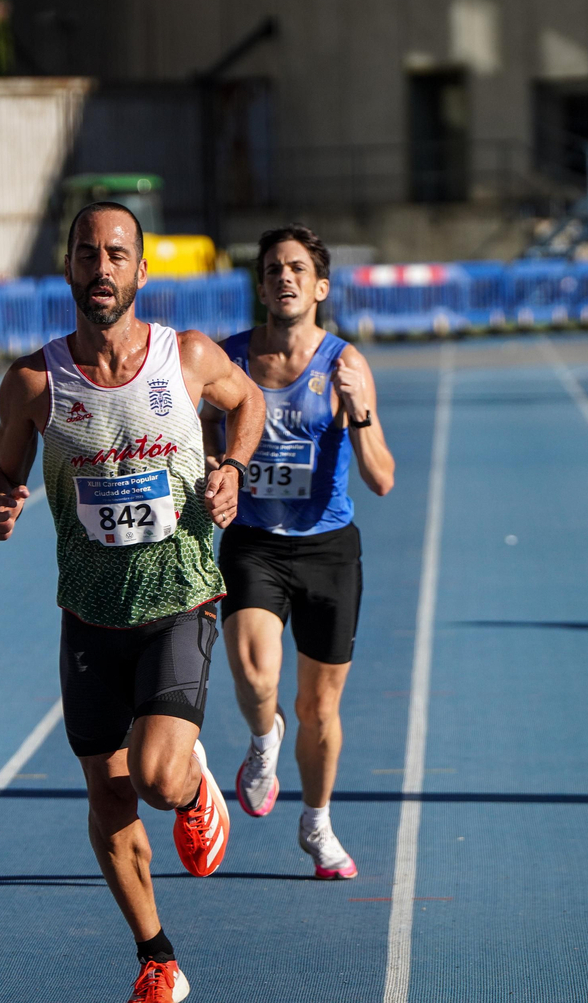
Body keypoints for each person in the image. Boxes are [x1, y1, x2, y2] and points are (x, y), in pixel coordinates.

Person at [0, 201, 264, 1003]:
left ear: (141, 271)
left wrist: (233, 468)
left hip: (178, 599)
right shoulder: (35, 382)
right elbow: (1, 475)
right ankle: (157, 958)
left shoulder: (190, 358)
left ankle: (195, 783)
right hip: (88, 616)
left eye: (115, 254)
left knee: (155, 779)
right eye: (85, 253)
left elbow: (248, 404)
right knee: (106, 791)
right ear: (68, 267)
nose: (100, 268)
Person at [201, 224, 395, 881]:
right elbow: (199, 441)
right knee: (256, 677)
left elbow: (383, 477)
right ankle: (262, 741)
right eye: (273, 269)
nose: (284, 278)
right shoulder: (225, 362)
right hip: (254, 543)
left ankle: (317, 822)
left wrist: (360, 412)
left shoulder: (345, 363)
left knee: (319, 707)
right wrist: (213, 466)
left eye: (296, 269)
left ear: (319, 287)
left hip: (327, 550)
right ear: (261, 286)